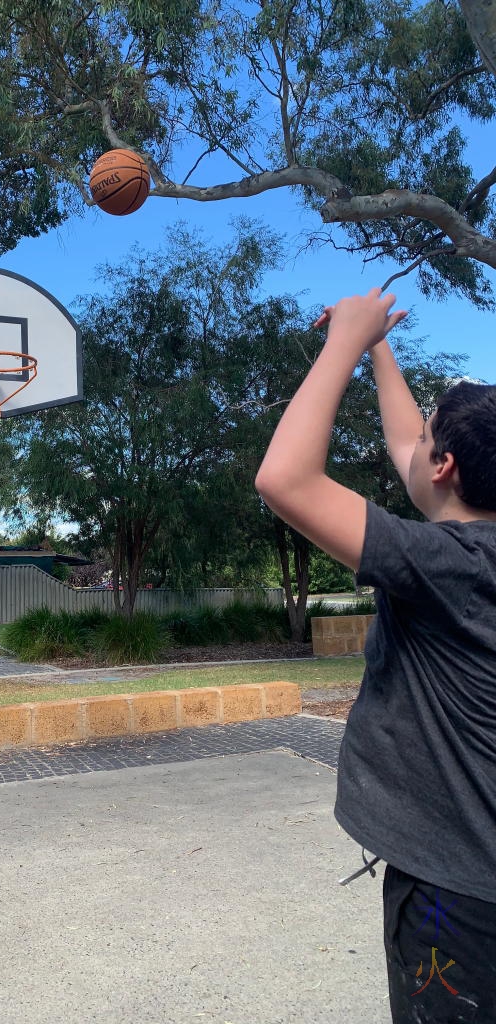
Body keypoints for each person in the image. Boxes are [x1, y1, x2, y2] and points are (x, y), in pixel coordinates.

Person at [254, 288, 496, 1023]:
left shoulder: (446, 564)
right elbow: (407, 452)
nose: (411, 449)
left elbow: (285, 480)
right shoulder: (470, 554)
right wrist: (380, 348)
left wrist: (344, 346)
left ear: (446, 464)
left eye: (428, 441)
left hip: (461, 902)